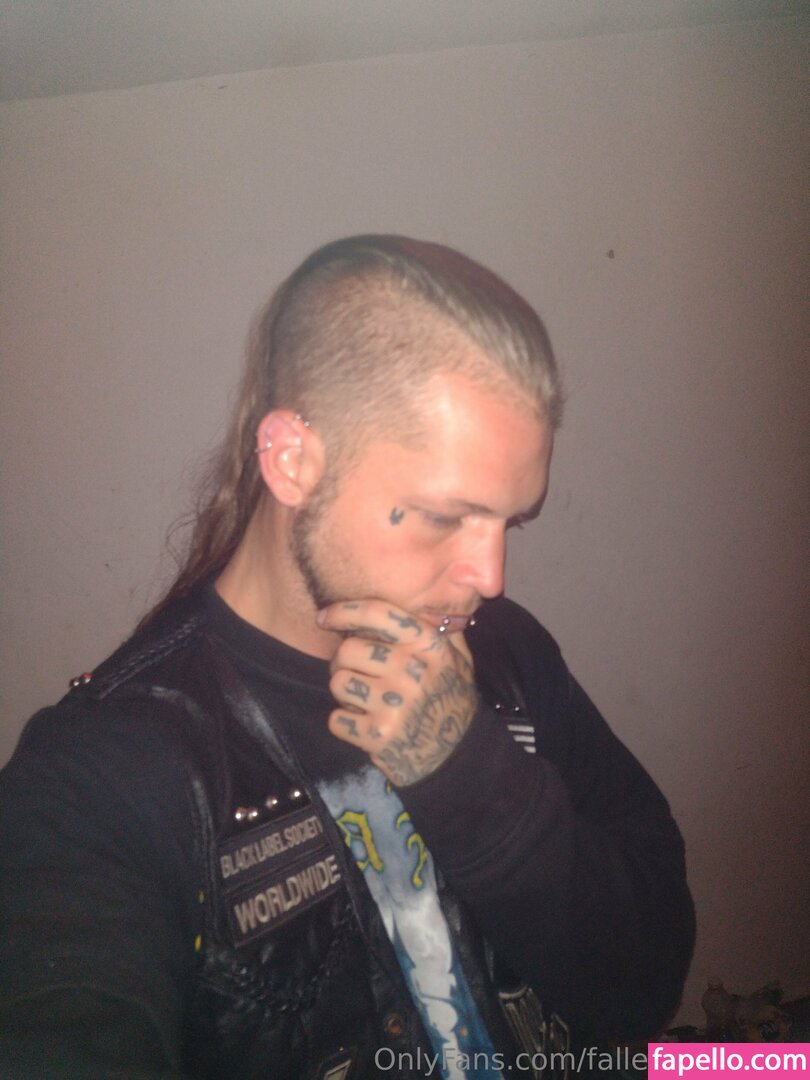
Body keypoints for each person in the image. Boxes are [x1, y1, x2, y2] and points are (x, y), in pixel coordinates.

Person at [0, 235, 694, 1079]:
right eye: (445, 517)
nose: (491, 578)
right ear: (292, 460)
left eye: (510, 521)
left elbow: (647, 977)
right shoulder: (104, 775)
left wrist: (472, 779)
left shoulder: (510, 654)